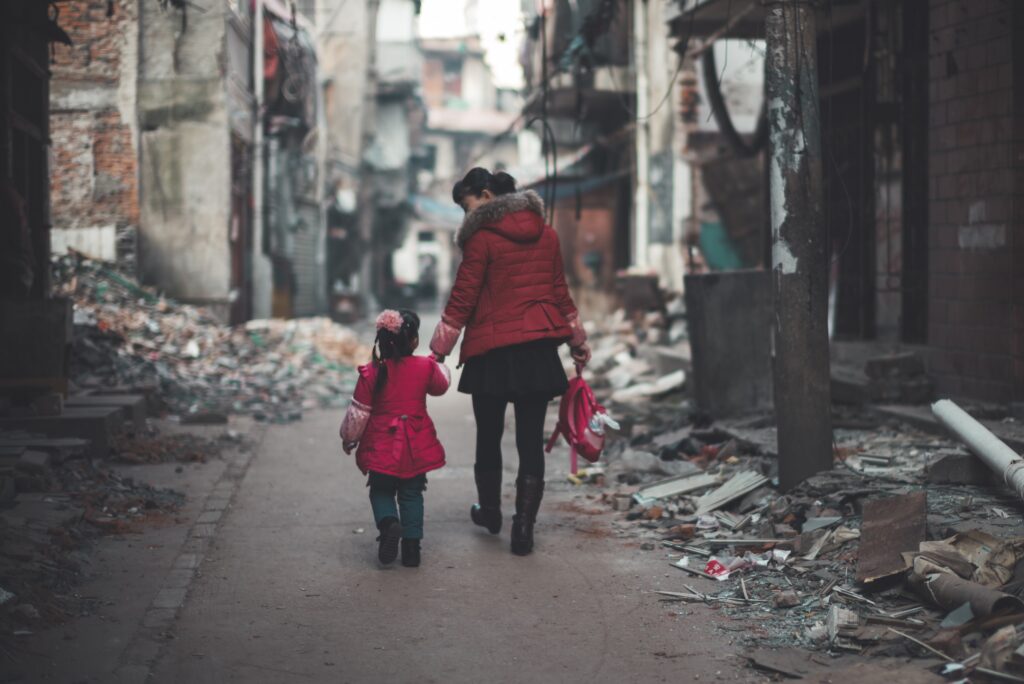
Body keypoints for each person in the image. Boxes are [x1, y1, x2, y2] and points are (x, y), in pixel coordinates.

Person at [429, 168, 591, 556]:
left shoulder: (481, 239)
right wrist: (577, 340)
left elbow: (463, 298)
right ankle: (524, 528)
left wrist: (438, 350)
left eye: (466, 206)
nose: (464, 216)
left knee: (488, 436)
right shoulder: (547, 233)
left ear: (485, 196)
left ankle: (490, 514)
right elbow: (558, 292)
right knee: (529, 439)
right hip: (537, 353)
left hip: (492, 354)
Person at [340, 309, 451, 567]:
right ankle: (412, 549)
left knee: (381, 490)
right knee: (412, 494)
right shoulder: (425, 367)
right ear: (413, 341)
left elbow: (359, 413)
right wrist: (438, 362)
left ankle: (389, 523)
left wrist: (349, 438)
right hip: (415, 445)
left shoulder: (371, 372)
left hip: (381, 446)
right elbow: (441, 385)